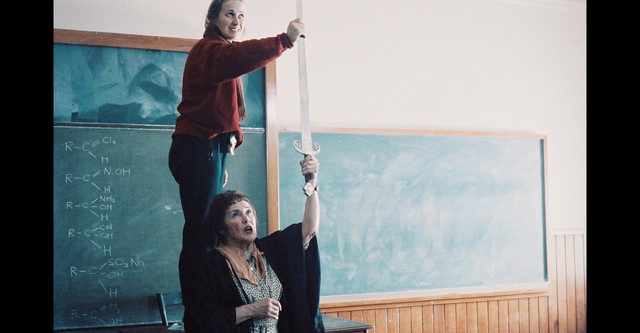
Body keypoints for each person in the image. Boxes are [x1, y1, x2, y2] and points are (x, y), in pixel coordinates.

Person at [168, 0, 307, 255]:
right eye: (229, 14)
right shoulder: (209, 51)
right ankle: (201, 294)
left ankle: (206, 290)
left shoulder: (218, 52)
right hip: (199, 147)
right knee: (203, 231)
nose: (236, 21)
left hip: (209, 147)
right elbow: (238, 57)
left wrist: (220, 157)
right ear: (213, 19)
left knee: (207, 229)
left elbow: (219, 113)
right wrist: (285, 40)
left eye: (241, 16)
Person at [179, 155, 325, 333]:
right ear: (222, 228)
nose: (246, 218)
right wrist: (251, 310)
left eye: (249, 212)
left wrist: (312, 184)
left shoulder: (269, 249)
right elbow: (202, 321)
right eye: (235, 214)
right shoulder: (209, 265)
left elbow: (309, 229)